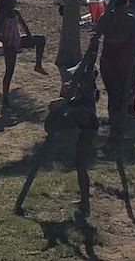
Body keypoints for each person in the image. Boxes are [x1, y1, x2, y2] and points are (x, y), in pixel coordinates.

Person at [45, 59, 100, 214]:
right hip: (82, 126)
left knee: (80, 163)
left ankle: (85, 202)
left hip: (88, 127)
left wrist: (94, 49)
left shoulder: (88, 92)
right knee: (78, 163)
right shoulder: (79, 94)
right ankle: (84, 201)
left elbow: (89, 74)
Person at [98, 0, 135, 141]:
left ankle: (114, 125)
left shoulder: (105, 18)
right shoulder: (130, 20)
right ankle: (118, 127)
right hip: (122, 59)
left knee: (112, 93)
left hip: (108, 58)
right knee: (122, 94)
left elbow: (95, 38)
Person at [0, 0, 47, 106]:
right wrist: (3, 40)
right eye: (13, 0)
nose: (15, 2)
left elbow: (24, 25)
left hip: (18, 40)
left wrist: (29, 36)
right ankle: (5, 97)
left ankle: (38, 65)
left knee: (41, 40)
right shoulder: (1, 15)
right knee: (9, 71)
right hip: (9, 45)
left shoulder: (16, 13)